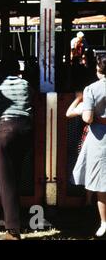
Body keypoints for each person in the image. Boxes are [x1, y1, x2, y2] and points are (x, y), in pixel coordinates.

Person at [0, 55, 33, 240]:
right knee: (16, 176)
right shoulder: (25, 84)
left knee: (6, 181)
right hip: (26, 128)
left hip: (6, 128)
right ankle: (15, 222)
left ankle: (12, 231)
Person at [72, 55, 106, 238]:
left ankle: (103, 222)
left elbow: (88, 118)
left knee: (102, 183)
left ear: (98, 70)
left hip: (100, 137)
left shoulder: (91, 89)